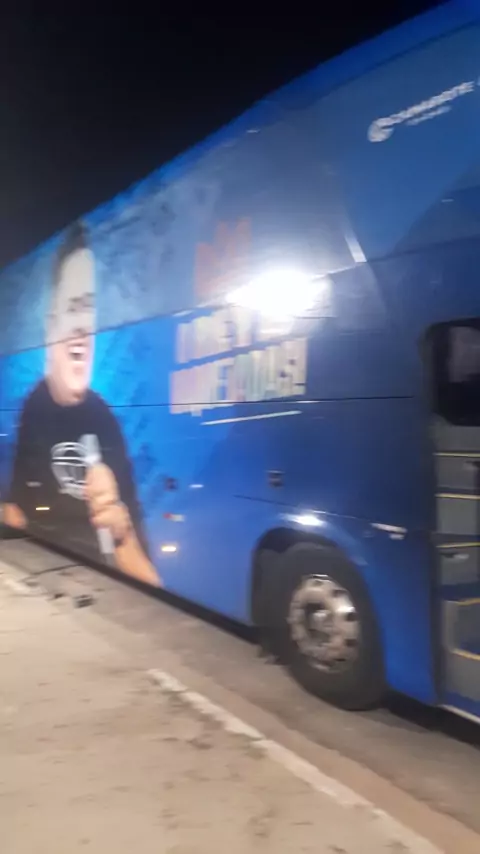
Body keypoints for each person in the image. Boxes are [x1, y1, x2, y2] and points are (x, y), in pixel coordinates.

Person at [3, 222, 160, 587]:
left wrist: (122, 533)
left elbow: (149, 579)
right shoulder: (22, 414)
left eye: (88, 310)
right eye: (72, 309)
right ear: (51, 325)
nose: (82, 328)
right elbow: (12, 516)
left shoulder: (104, 421)